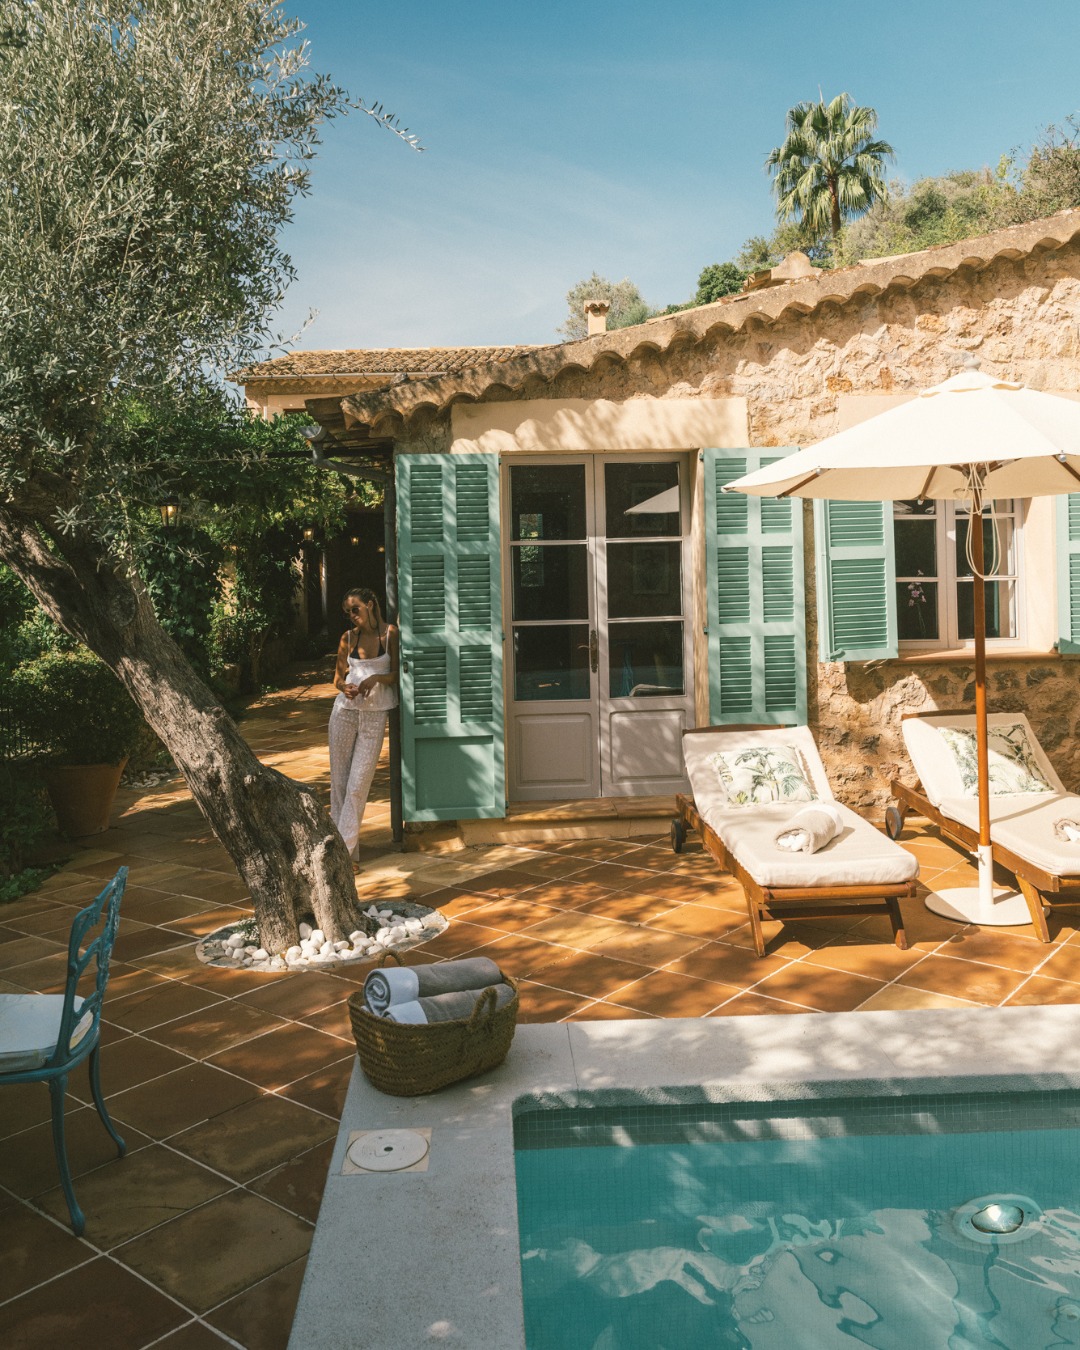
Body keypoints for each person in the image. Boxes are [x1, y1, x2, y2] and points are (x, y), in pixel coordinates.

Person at [328, 587, 398, 860]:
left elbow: (396, 674)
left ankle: (341, 854)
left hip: (374, 715)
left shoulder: (390, 634)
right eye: (347, 612)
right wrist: (344, 687)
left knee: (358, 784)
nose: (352, 615)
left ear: (370, 605)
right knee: (340, 783)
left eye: (355, 609)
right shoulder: (347, 638)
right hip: (344, 713)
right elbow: (337, 679)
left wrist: (376, 679)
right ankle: (347, 853)